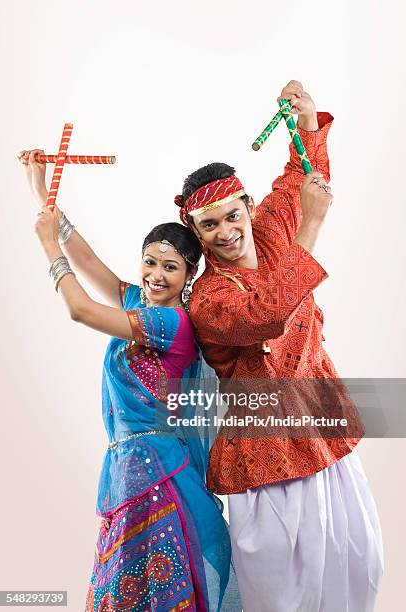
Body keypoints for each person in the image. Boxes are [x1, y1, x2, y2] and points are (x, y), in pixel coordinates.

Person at [174, 81, 384, 611]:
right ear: (197, 234)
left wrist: (307, 122)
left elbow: (300, 178)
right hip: (265, 456)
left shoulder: (268, 231)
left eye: (232, 213)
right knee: (282, 592)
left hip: (324, 430)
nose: (226, 231)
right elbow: (266, 316)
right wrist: (313, 224)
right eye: (209, 225)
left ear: (247, 205)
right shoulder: (209, 299)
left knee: (357, 566)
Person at [18, 150, 241, 612]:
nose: (156, 275)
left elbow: (80, 309)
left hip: (159, 476)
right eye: (149, 262)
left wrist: (47, 248)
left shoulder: (172, 325)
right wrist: (40, 188)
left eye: (170, 267)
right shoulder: (141, 301)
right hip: (128, 473)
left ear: (189, 275)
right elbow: (87, 258)